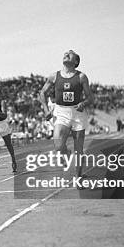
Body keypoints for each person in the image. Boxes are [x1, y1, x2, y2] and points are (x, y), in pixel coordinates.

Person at [39, 50, 94, 179]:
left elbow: (90, 98)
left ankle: (78, 176)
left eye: (71, 53)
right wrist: (46, 110)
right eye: (65, 53)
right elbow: (42, 93)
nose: (67, 53)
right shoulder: (54, 76)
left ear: (76, 62)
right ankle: (66, 154)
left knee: (79, 149)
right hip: (61, 112)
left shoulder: (81, 77)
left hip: (77, 113)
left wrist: (84, 103)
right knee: (58, 145)